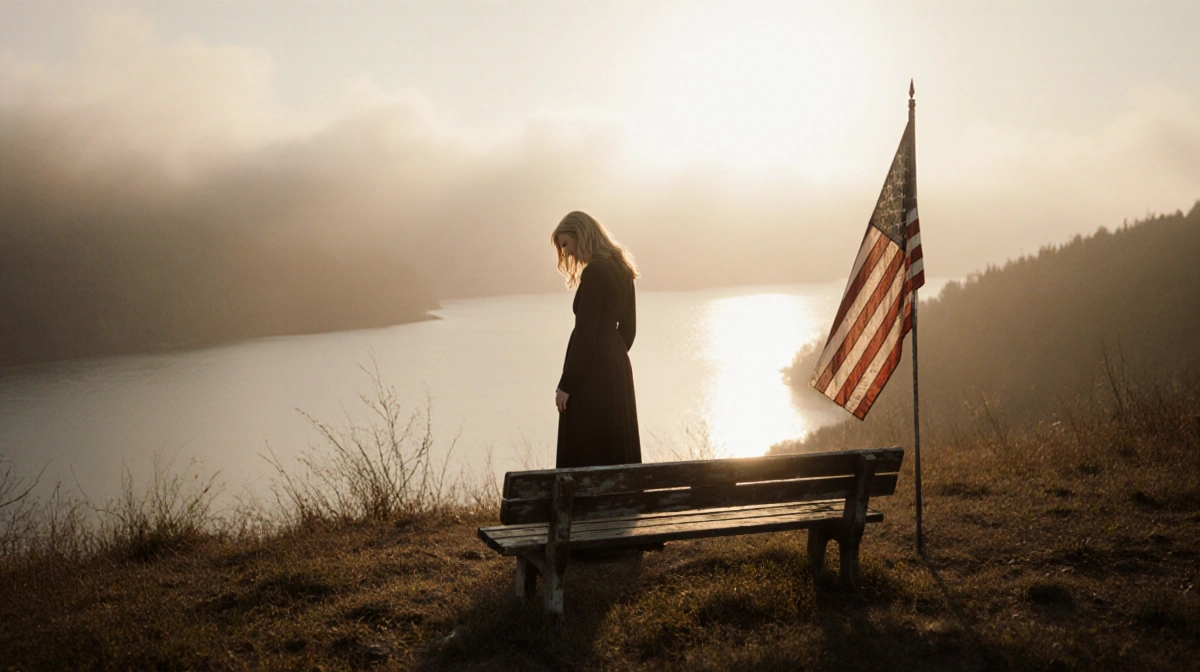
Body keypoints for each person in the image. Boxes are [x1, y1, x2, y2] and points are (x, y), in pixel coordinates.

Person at [551, 211, 642, 469]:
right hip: (617, 367)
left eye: (566, 244)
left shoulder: (594, 274)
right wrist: (612, 358)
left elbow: (585, 334)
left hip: (590, 374)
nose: (567, 254)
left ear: (582, 236)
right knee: (615, 443)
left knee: (585, 445)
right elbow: (629, 330)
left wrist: (566, 384)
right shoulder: (623, 269)